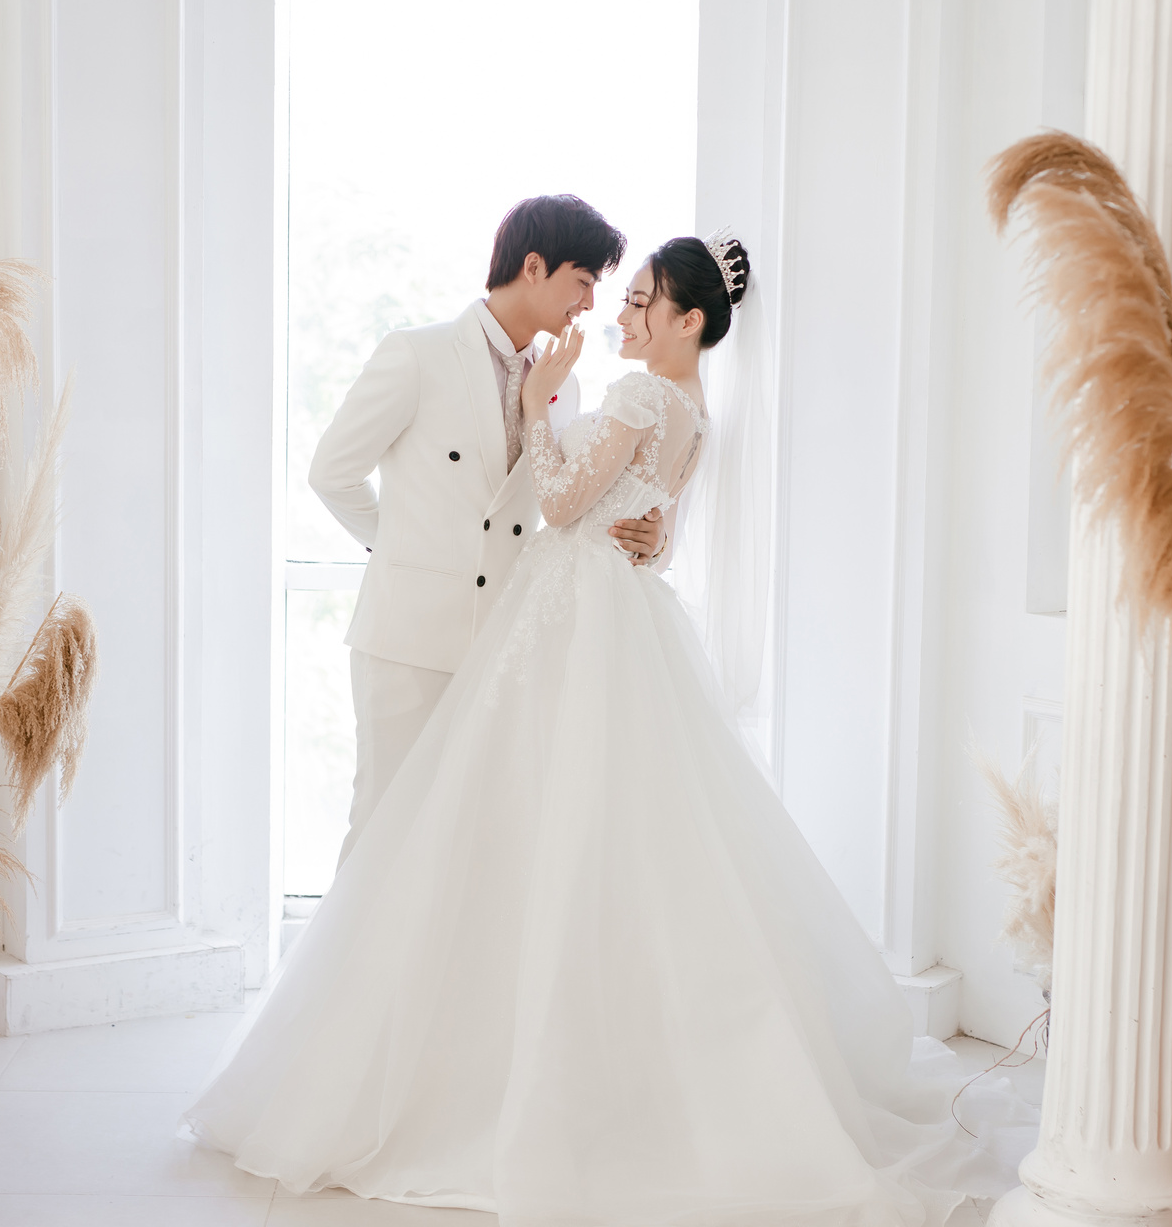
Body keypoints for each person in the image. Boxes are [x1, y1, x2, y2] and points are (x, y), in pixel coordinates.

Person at [183, 232, 1014, 1224]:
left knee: (525, 831)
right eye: (618, 294)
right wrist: (636, 519)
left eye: (642, 301)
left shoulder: (636, 398)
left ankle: (489, 1068)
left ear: (689, 321)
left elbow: (569, 503)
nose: (621, 313)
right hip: (616, 620)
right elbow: (652, 535)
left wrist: (540, 416)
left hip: (571, 620)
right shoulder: (696, 414)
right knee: (612, 842)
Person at [308, 195, 665, 864]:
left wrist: (653, 537)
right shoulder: (416, 354)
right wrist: (405, 553)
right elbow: (332, 473)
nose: (589, 304)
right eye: (583, 282)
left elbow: (574, 503)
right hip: (408, 639)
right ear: (534, 266)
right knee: (384, 826)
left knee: (476, 843)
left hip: (504, 644)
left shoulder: (563, 387)